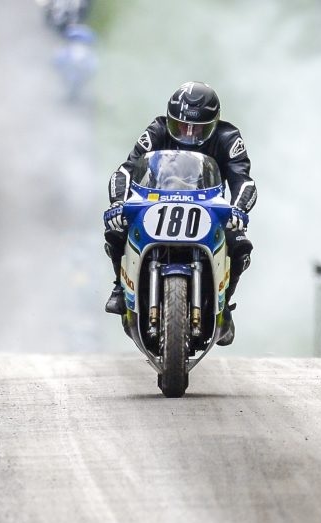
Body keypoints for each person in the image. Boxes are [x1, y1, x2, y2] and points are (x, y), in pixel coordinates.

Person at [103, 81, 257, 346]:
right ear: (170, 120)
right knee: (116, 228)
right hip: (156, 200)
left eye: (198, 129)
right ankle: (120, 286)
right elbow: (126, 170)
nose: (188, 134)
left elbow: (243, 181)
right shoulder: (157, 129)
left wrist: (238, 210)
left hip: (207, 206)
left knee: (240, 244)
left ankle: (224, 306)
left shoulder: (229, 138)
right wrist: (118, 202)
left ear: (214, 123)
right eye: (181, 126)